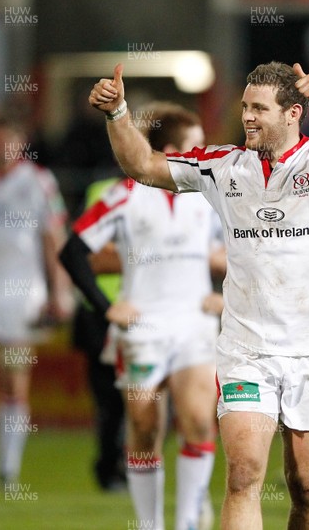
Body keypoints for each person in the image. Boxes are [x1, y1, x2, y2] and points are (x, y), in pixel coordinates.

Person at [87, 61, 309, 530]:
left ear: (293, 114)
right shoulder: (221, 167)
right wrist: (118, 112)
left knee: (307, 490)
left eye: (260, 109)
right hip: (247, 353)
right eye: (245, 106)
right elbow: (141, 166)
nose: (248, 116)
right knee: (243, 476)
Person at [60, 103, 224, 530]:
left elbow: (250, 248)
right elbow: (72, 250)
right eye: (198, 144)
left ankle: (187, 521)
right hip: (143, 329)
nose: (206, 152)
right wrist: (106, 305)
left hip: (195, 324)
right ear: (172, 150)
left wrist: (228, 298)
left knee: (199, 420)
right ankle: (150, 525)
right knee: (146, 426)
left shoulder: (213, 193)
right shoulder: (124, 196)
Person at [0, 117, 71, 486]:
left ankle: (8, 467)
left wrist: (59, 290)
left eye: (8, 143)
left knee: (14, 381)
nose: (1, 150)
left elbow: (53, 239)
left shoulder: (38, 181)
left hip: (22, 289)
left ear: (20, 144)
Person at [71, 177, 126, 492]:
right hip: (100, 313)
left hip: (148, 313)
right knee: (110, 399)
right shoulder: (101, 191)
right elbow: (80, 251)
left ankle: (129, 465)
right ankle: (110, 467)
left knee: (150, 399)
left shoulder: (173, 189)